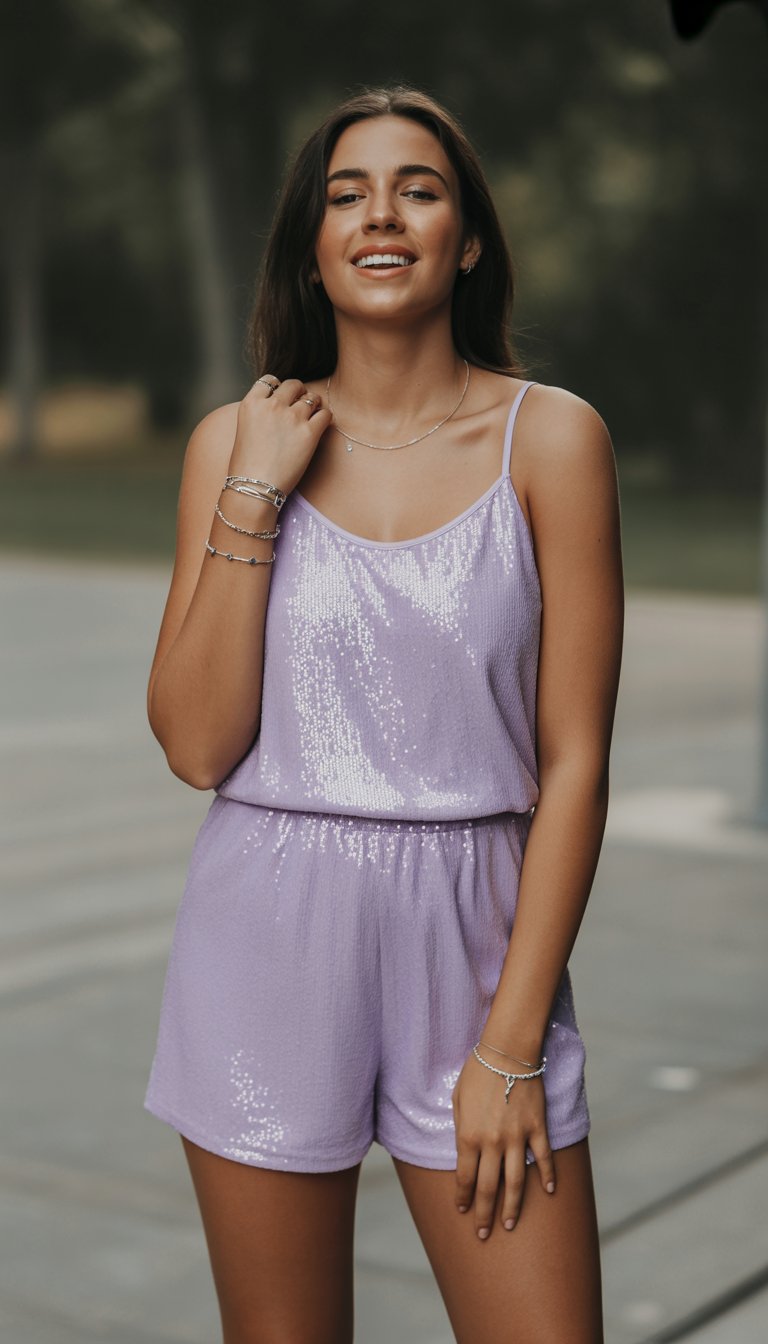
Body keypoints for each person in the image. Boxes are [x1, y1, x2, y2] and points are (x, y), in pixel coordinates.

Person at [143, 83, 623, 1344]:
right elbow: (197, 745)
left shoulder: (553, 441)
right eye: (348, 193)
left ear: (465, 239)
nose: (382, 215)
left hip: (476, 953)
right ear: (314, 240)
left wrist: (511, 1045)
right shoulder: (233, 442)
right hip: (266, 934)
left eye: (419, 188)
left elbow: (573, 766)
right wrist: (256, 490)